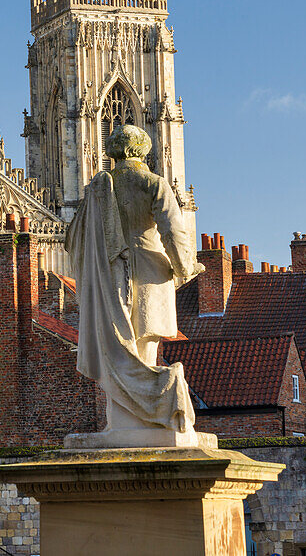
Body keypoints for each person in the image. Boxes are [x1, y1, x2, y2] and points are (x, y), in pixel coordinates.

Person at [64, 124, 204, 440]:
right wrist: (186, 267)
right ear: (143, 150)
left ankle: (122, 424)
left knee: (117, 349)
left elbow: (74, 238)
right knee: (145, 347)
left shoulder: (97, 189)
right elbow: (172, 232)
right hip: (150, 273)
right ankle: (149, 420)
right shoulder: (153, 183)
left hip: (109, 275)